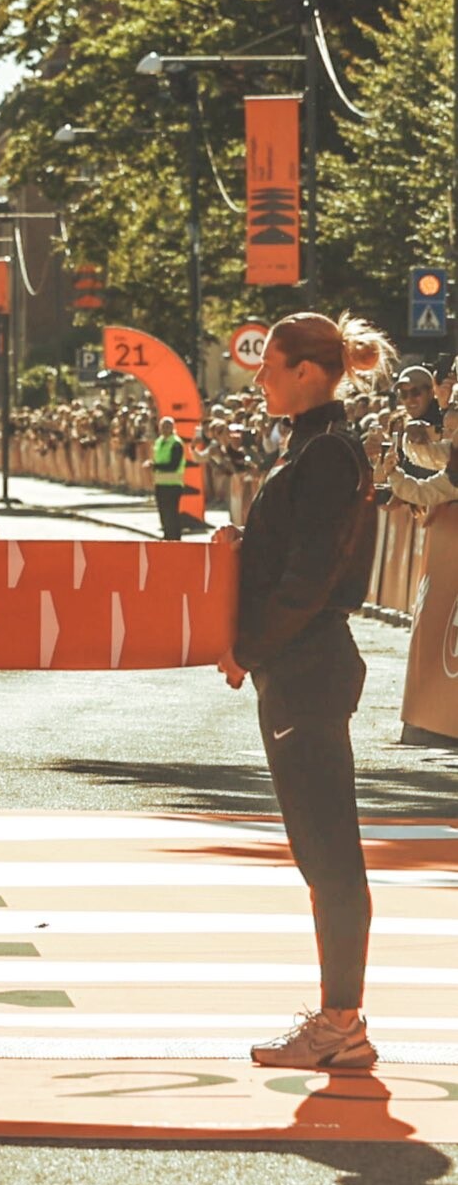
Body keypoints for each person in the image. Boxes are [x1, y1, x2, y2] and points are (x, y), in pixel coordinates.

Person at [215, 311, 391, 1070]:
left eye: (271, 365)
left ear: (308, 372)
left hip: (306, 664)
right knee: (319, 851)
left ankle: (342, 1022)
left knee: (328, 852)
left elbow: (310, 577)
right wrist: (240, 550)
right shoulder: (313, 447)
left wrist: (247, 648)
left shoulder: (325, 453)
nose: (258, 376)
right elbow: (291, 556)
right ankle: (338, 1019)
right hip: (299, 665)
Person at [151, 415, 187, 540]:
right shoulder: (159, 442)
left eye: (168, 426)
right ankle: (167, 537)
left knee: (172, 513)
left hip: (173, 484)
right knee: (163, 513)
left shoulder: (176, 443)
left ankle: (175, 538)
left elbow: (173, 465)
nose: (165, 429)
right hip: (160, 483)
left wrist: (155, 466)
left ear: (172, 428)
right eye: (163, 427)